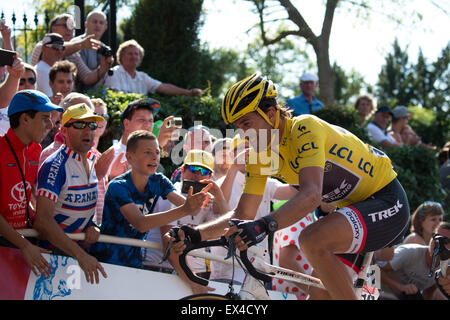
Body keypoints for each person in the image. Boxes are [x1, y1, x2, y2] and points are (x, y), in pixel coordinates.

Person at [168, 73, 411, 300]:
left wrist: (264, 225)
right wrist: (195, 234)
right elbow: (242, 214)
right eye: (238, 127)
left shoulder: (304, 128)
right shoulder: (260, 153)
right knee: (319, 293)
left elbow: (311, 195)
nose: (243, 134)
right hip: (352, 209)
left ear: (271, 113)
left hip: (387, 200)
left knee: (311, 239)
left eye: (246, 123)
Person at [89, 131, 212, 270]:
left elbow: (188, 207)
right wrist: (186, 209)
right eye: (147, 152)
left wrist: (197, 203)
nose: (154, 157)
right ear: (130, 157)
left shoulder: (159, 181)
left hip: (135, 263)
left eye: (157, 152)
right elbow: (140, 223)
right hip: (105, 262)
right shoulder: (118, 186)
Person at [33, 103, 107, 284]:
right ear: (64, 131)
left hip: (77, 256)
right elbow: (42, 220)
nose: (88, 131)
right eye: (80, 125)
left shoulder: (92, 159)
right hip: (52, 257)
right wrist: (81, 256)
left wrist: (93, 225)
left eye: (92, 125)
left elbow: (86, 208)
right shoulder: (55, 165)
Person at [142, 149, 226, 292]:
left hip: (185, 273)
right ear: (182, 170)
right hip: (158, 268)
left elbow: (227, 225)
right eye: (194, 168)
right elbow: (167, 246)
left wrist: (220, 197)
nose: (198, 175)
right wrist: (191, 282)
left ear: (211, 177)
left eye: (204, 172)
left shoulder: (209, 201)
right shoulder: (171, 194)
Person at [0, 89, 63, 277]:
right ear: (25, 119)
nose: (51, 125)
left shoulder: (35, 149)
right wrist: (24, 245)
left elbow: (20, 195)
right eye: (45, 118)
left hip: (22, 241)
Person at [107, 97, 177, 180]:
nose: (147, 125)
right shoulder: (114, 155)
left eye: (150, 120)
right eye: (141, 120)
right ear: (126, 124)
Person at [103, 39, 203, 96]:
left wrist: (188, 92)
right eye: (130, 54)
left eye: (136, 54)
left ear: (140, 58)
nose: (133, 57)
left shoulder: (143, 77)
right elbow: (113, 95)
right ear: (121, 57)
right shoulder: (114, 73)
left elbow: (164, 87)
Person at [379, 222, 450, 300]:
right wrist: (401, 287)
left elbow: (428, 294)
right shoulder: (410, 252)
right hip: (379, 294)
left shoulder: (445, 270)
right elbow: (376, 270)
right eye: (435, 237)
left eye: (445, 241)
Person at [69, 11, 113, 93]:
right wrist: (103, 68)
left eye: (101, 22)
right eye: (94, 21)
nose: (98, 25)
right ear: (86, 24)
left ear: (105, 27)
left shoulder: (105, 49)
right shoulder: (75, 44)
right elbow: (86, 79)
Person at [40, 60, 78, 149]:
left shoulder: (79, 106)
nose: (66, 86)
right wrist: (53, 116)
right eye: (61, 82)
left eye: (69, 82)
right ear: (51, 84)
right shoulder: (42, 107)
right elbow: (37, 140)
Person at [0, 62, 34, 135]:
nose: (27, 84)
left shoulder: (43, 107)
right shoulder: (5, 106)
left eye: (31, 80)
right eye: (21, 81)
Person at [90, 98, 109, 225]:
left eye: (104, 116)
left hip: (98, 226)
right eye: (96, 115)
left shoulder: (100, 155)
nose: (101, 120)